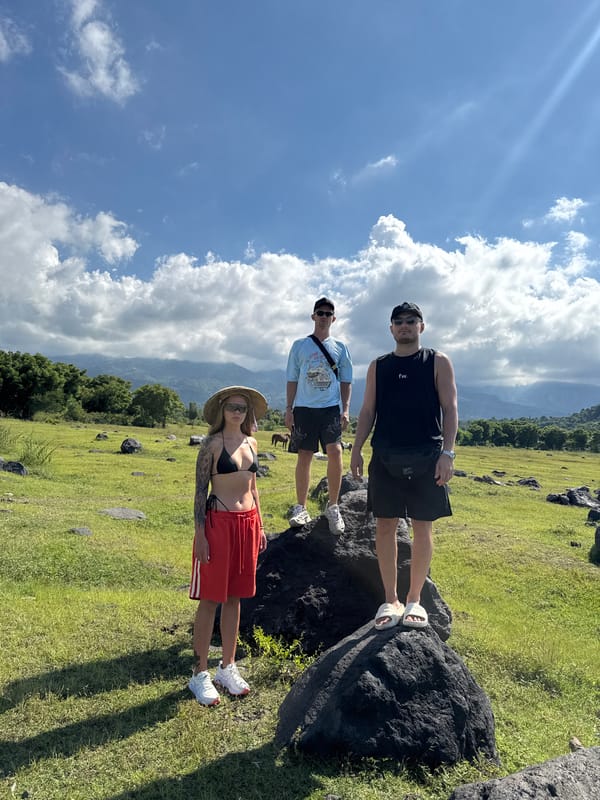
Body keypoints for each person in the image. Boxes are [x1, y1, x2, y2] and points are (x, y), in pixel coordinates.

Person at [350, 302, 458, 630]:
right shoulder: (378, 366)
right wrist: (356, 449)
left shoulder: (437, 361)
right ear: (391, 328)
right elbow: (368, 411)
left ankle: (414, 599)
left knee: (423, 527)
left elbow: (450, 409)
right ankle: (390, 599)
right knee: (385, 526)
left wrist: (447, 453)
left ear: (421, 326)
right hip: (385, 455)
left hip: (427, 455)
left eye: (411, 321)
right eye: (398, 322)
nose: (404, 326)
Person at [188, 385, 268, 706]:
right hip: (218, 524)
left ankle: (227, 666)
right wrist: (201, 534)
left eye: (242, 407)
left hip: (246, 525)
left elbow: (253, 486)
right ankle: (199, 674)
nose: (237, 412)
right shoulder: (210, 445)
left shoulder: (252, 442)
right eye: (232, 406)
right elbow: (198, 492)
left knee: (235, 598)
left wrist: (260, 525)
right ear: (222, 410)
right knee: (210, 599)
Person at [285, 297, 353, 534]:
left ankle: (333, 506)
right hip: (304, 407)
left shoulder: (341, 348)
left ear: (333, 318)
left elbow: (346, 381)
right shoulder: (299, 346)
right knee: (304, 455)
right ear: (313, 316)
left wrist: (345, 409)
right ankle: (301, 506)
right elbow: (292, 378)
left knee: (335, 451)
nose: (324, 317)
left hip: (330, 408)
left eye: (328, 313)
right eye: (320, 313)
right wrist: (288, 408)